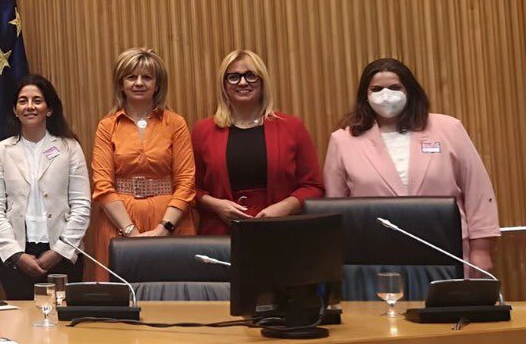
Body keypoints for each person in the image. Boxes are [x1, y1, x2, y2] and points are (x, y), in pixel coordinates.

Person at [323, 58, 500, 275]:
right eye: (376, 89)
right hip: (376, 253)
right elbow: (336, 207)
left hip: (445, 248)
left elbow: (477, 189)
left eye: (394, 87)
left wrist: (481, 249)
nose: (386, 95)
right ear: (365, 96)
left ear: (410, 90)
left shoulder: (448, 128)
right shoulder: (343, 140)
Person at [87, 49, 196, 281]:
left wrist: (164, 228)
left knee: (173, 291)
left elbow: (186, 182)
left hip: (170, 221)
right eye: (131, 77)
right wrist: (131, 232)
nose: (139, 83)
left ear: (157, 84)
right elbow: (103, 186)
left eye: (147, 77)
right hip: (119, 221)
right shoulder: (107, 126)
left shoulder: (175, 123)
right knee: (120, 294)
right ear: (121, 84)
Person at [191, 50, 324, 235]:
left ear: (262, 81)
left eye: (251, 75)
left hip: (282, 232)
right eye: (234, 77)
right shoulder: (203, 130)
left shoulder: (292, 127)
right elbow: (191, 188)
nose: (243, 82)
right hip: (221, 234)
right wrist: (216, 205)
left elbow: (314, 186)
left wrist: (285, 207)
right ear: (224, 84)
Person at [0, 75, 88, 300]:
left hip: (63, 253)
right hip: (17, 256)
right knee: (21, 318)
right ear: (15, 110)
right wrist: (15, 253)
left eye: (37, 101)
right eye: (23, 101)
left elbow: (81, 205)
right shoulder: (1, 151)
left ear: (49, 109)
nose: (30, 106)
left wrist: (58, 251)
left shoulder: (70, 148)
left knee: (61, 318)